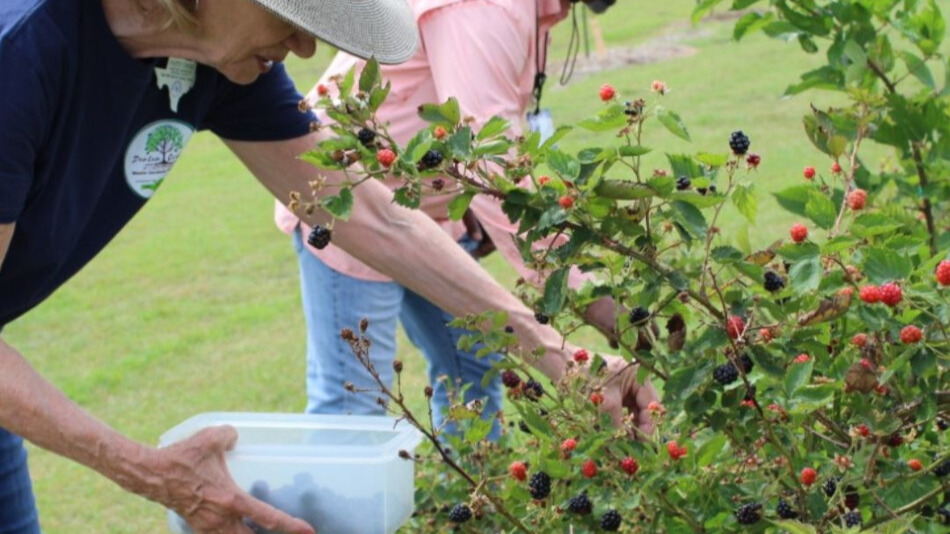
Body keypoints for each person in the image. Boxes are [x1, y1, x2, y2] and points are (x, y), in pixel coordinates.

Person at [0, 0, 655, 533]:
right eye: (294, 14)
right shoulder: (20, 58)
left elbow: (375, 216)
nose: (307, 47)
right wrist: (144, 468)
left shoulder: (212, 62)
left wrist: (554, 355)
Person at [276, 0, 621, 440]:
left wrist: (467, 205)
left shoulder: (535, 12)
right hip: (347, 208)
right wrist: (581, 290)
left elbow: (477, 127)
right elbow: (488, 156)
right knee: (353, 404)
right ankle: (283, 511)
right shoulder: (479, 7)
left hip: (423, 220)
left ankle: (475, 501)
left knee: (473, 371)